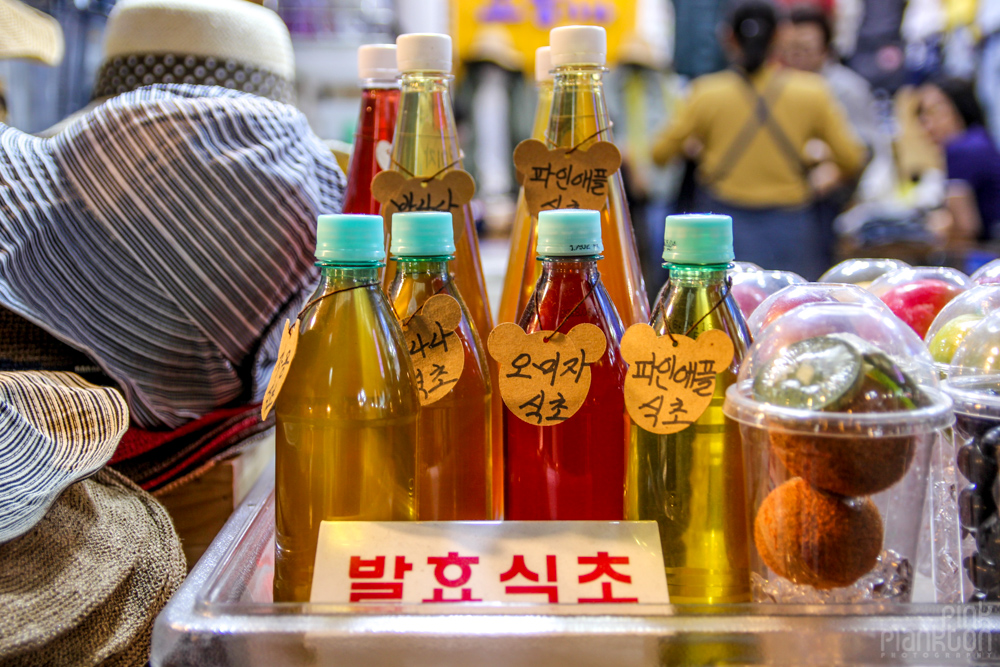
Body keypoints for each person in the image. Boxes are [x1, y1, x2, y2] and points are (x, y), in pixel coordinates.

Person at [651, 0, 866, 279]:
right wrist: (818, 160)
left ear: (728, 38)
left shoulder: (705, 93)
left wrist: (699, 147)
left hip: (722, 232)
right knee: (788, 313)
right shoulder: (812, 92)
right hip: (792, 229)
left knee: (726, 315)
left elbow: (660, 154)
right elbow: (852, 158)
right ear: (779, 37)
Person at [917, 77, 1000, 243]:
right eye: (922, 116)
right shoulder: (979, 139)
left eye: (935, 112)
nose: (928, 125)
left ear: (959, 106)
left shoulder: (961, 149)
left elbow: (965, 228)